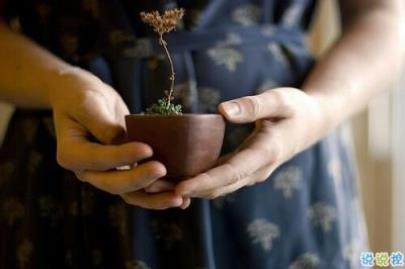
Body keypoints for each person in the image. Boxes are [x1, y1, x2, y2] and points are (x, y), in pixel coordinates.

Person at [0, 0, 403, 268]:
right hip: (71, 165)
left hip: (285, 167)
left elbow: (385, 13)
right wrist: (56, 82)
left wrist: (321, 107)